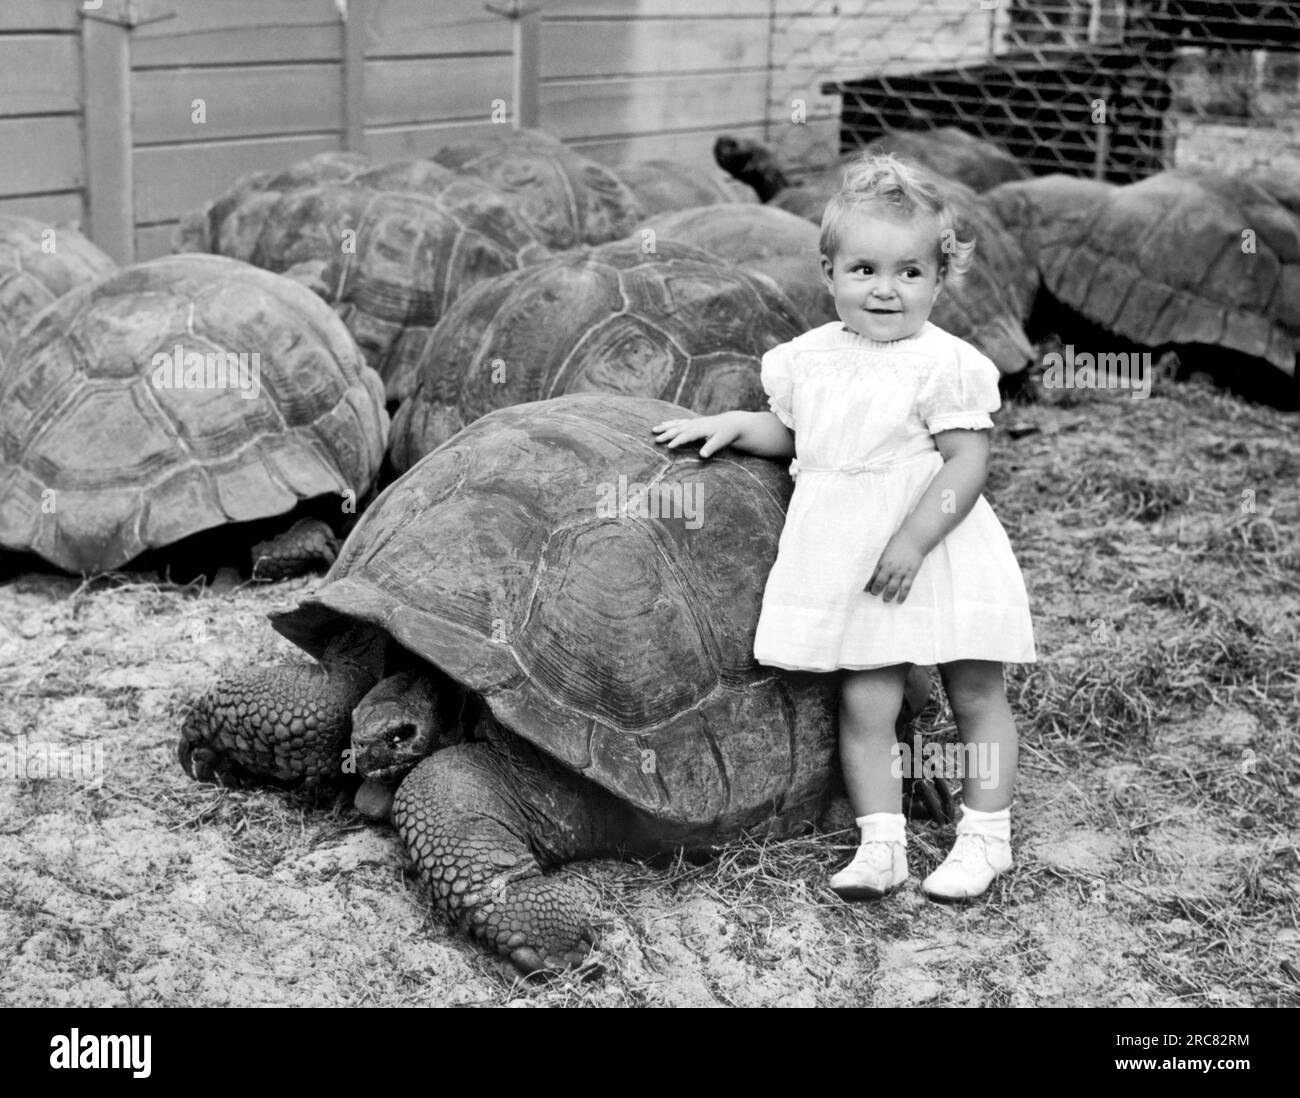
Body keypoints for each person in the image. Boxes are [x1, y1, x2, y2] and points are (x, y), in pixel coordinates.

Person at [652, 153, 1036, 902]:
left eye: (910, 272)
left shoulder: (946, 364)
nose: (886, 290)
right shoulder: (810, 361)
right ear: (828, 273)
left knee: (975, 690)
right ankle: (882, 841)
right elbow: (807, 439)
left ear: (940, 276)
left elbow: (965, 464)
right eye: (864, 269)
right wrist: (738, 425)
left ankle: (986, 836)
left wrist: (914, 540)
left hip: (936, 547)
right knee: (866, 701)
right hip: (856, 559)